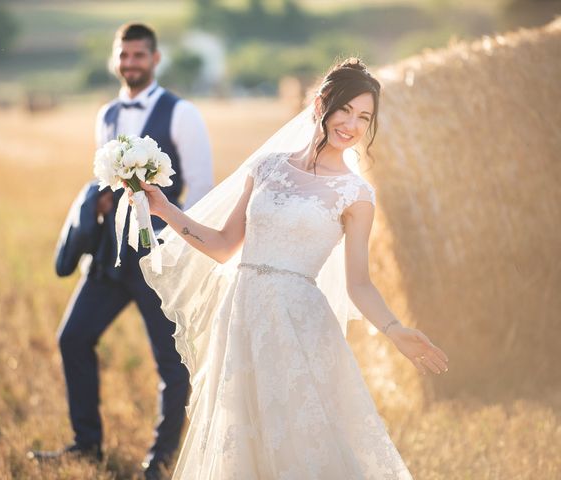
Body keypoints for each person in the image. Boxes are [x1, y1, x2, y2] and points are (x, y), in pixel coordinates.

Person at [131, 58, 449, 479]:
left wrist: (394, 330)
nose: (352, 125)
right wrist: (166, 209)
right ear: (320, 105)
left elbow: (359, 284)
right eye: (345, 110)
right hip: (242, 315)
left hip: (299, 323)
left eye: (364, 117)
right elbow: (225, 246)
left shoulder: (356, 194)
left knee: (303, 440)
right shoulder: (266, 166)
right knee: (241, 438)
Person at [29, 23, 214, 479]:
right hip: (109, 257)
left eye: (139, 55)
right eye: (123, 55)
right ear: (116, 59)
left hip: (159, 258)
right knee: (72, 337)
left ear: (154, 59)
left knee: (171, 362)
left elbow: (203, 187)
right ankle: (86, 445)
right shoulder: (106, 115)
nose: (130, 63)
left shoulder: (181, 113)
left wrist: (174, 243)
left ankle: (161, 458)